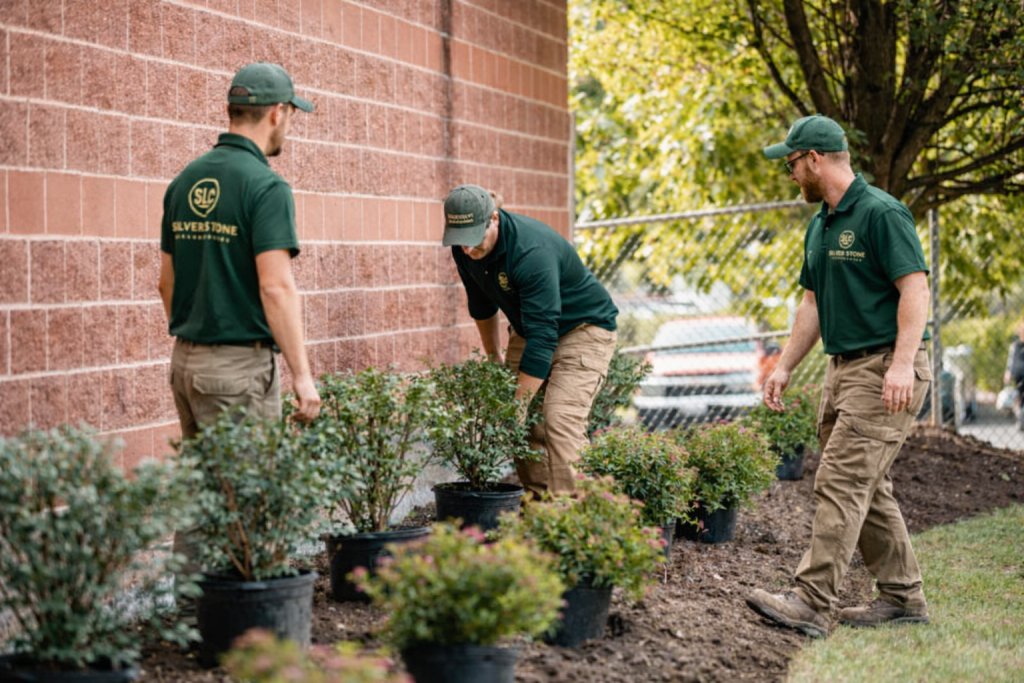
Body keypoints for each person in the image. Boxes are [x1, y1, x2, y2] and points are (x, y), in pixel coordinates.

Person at [744, 115, 933, 638]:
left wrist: (900, 363)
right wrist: (785, 365)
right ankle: (902, 598)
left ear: (815, 159)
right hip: (842, 369)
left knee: (842, 482)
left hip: (884, 367)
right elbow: (812, 303)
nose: (790, 175)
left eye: (792, 164)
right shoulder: (821, 223)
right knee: (868, 488)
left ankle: (811, 601)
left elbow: (915, 291)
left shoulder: (881, 214)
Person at [157, 62, 322, 615]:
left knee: (204, 497)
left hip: (187, 363)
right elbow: (276, 289)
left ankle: (189, 618)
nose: (289, 128)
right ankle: (252, 635)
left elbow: (167, 282)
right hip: (238, 371)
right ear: (277, 113)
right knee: (251, 504)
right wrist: (302, 376)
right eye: (290, 116)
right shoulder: (265, 186)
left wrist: (198, 335)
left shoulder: (185, 181)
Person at [442, 184, 619, 496]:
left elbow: (544, 337)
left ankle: (573, 518)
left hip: (584, 329)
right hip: (531, 328)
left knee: (560, 418)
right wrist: (495, 356)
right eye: (460, 242)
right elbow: (481, 305)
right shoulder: (465, 247)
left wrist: (519, 403)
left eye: (474, 239)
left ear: (493, 219)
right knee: (521, 425)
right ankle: (540, 508)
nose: (467, 250)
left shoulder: (530, 252)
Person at [1002, 320, 1024, 428]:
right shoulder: (1016, 345)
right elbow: (1011, 361)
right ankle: (1020, 419)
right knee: (1019, 396)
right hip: (1019, 375)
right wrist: (1008, 372)